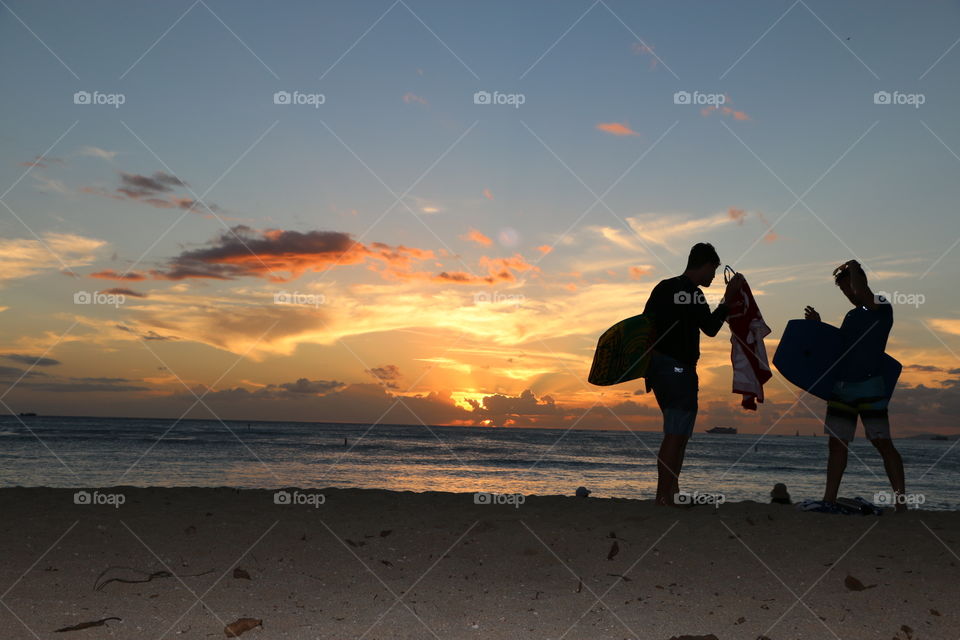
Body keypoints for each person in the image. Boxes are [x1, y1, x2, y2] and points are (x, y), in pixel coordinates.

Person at [642, 242, 744, 506]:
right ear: (706, 265)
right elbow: (710, 328)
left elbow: (645, 327)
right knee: (676, 433)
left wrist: (648, 369)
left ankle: (671, 492)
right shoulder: (693, 293)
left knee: (678, 433)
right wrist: (728, 299)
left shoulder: (663, 287)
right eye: (713, 270)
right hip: (678, 369)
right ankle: (663, 496)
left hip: (658, 369)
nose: (713, 276)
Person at [804, 260, 906, 512]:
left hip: (871, 386)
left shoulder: (881, 305)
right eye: (843, 290)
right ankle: (829, 499)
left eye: (848, 286)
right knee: (836, 444)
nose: (848, 293)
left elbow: (862, 292)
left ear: (860, 281)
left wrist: (852, 266)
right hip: (842, 387)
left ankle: (901, 504)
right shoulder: (851, 316)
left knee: (882, 443)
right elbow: (839, 349)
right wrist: (818, 325)